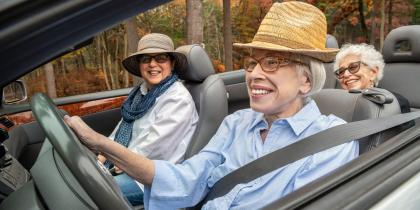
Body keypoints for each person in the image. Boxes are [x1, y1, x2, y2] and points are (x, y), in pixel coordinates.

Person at [65, 2, 358, 209]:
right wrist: (100, 143)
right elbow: (186, 179)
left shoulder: (331, 142)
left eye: (271, 62)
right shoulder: (237, 123)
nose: (254, 73)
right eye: (252, 63)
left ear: (306, 82)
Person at [97, 33, 199, 206]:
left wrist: (112, 161)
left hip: (152, 178)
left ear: (172, 63)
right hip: (128, 165)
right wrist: (101, 155)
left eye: (161, 58)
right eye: (146, 59)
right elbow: (122, 129)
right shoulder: (141, 93)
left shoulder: (177, 99)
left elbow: (153, 146)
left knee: (90, 190)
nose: (153, 64)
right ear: (140, 65)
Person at [334, 43, 413, 120]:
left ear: (373, 73)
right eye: (341, 71)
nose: (346, 74)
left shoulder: (395, 103)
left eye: (353, 67)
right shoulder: (334, 102)